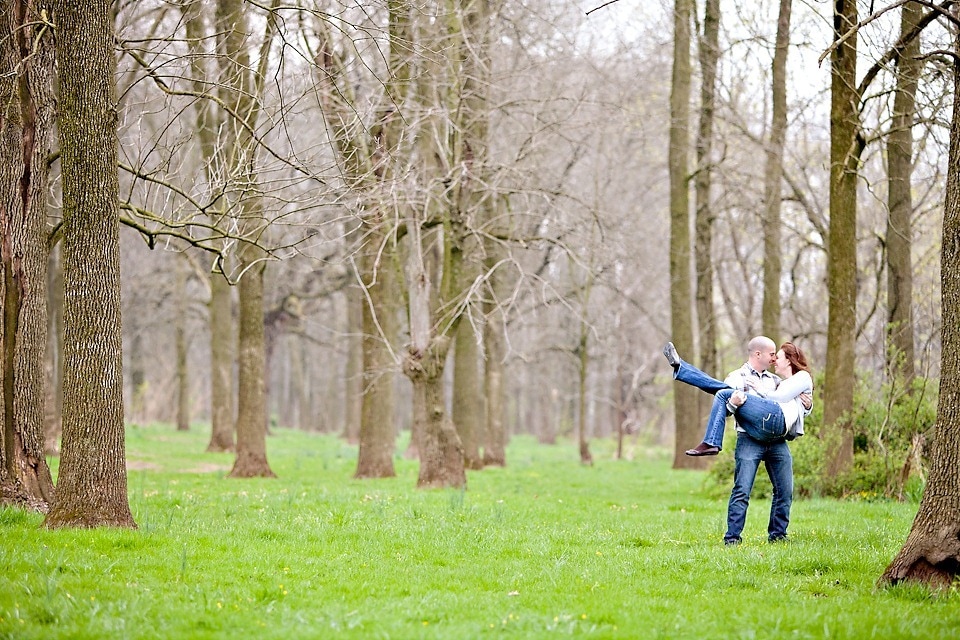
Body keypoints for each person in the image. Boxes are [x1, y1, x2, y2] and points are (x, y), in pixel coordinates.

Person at [663, 338, 813, 545]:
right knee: (741, 490)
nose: (773, 359)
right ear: (758, 354)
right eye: (771, 354)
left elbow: (791, 403)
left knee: (785, 491)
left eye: (775, 356)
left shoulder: (776, 380)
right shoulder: (737, 376)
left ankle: (778, 536)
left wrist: (808, 403)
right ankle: (732, 538)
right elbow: (721, 410)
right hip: (749, 439)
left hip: (777, 440)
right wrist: (732, 405)